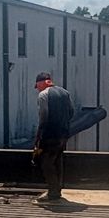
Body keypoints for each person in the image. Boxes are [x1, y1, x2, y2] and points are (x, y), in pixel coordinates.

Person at [32, 71, 74, 203]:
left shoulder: (43, 95)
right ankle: (58, 189)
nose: (37, 89)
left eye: (37, 86)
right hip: (63, 134)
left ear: (41, 83)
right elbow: (71, 112)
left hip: (50, 134)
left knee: (46, 162)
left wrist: (38, 138)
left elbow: (44, 117)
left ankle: (53, 192)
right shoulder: (64, 92)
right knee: (58, 160)